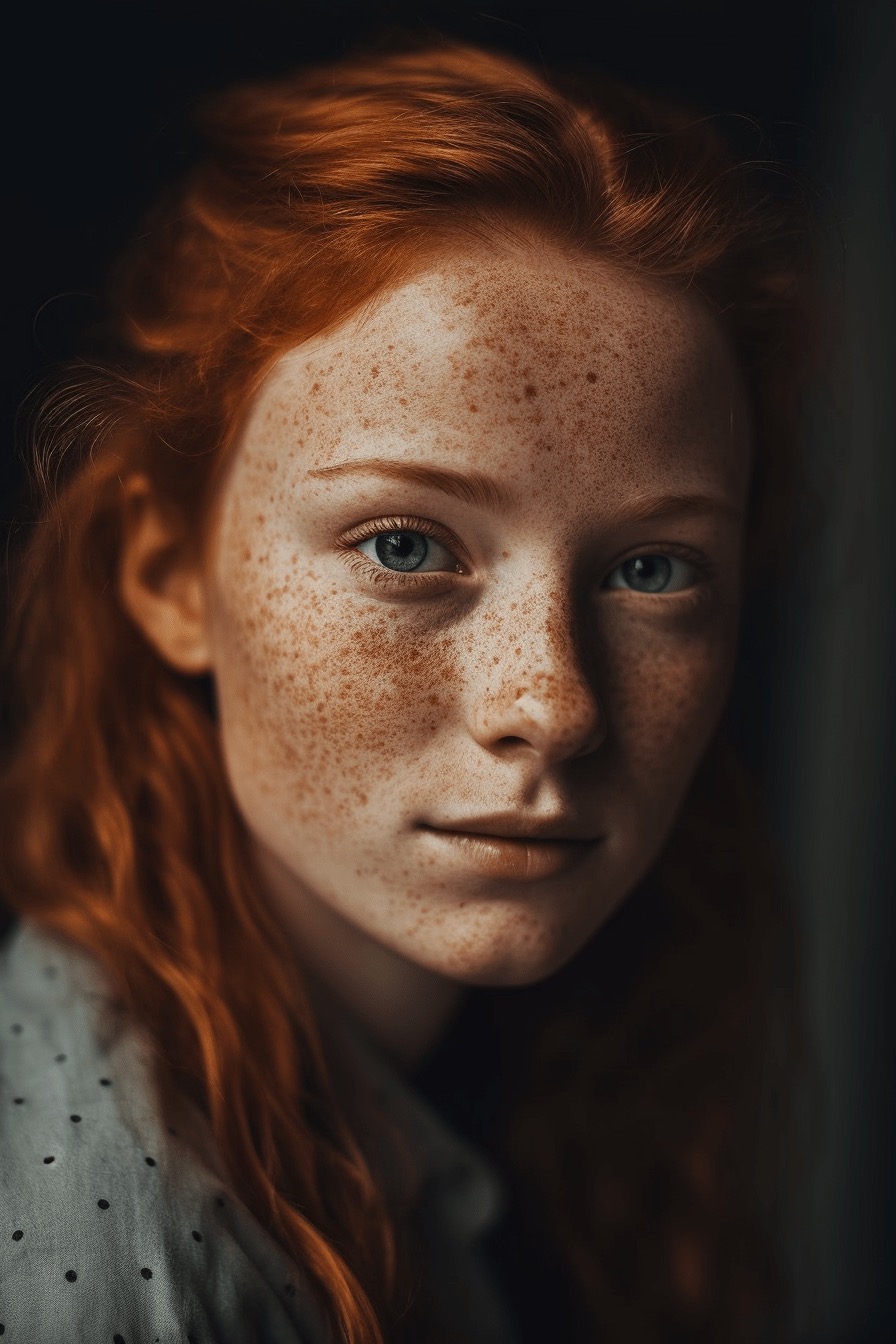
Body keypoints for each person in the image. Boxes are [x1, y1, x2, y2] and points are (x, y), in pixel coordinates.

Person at [0, 38, 809, 1344]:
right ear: (170, 574)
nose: (554, 705)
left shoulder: (523, 1109)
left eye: (652, 569)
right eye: (404, 546)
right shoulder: (94, 1245)